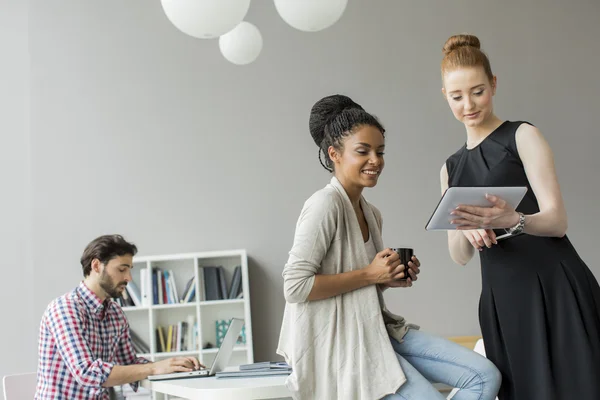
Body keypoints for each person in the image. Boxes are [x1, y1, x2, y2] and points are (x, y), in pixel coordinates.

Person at [277, 94, 501, 399]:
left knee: (484, 376)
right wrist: (371, 275)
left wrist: (389, 278)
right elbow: (295, 286)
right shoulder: (323, 205)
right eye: (363, 151)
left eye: (380, 151)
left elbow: (361, 282)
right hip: (344, 343)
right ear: (334, 154)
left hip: (377, 328)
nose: (375, 160)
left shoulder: (371, 213)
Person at [439, 34, 600, 400]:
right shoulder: (450, 168)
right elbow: (459, 257)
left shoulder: (522, 136)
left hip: (555, 288)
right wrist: (467, 232)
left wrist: (513, 219)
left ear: (494, 84)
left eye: (477, 91)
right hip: (503, 301)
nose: (468, 105)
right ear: (445, 96)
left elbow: (558, 221)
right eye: (457, 96)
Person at [35, 234, 203, 400]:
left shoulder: (115, 313)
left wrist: (173, 365)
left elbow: (129, 364)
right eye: (122, 269)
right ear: (96, 266)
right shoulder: (65, 309)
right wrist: (154, 368)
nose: (128, 278)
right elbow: (87, 373)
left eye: (129, 270)